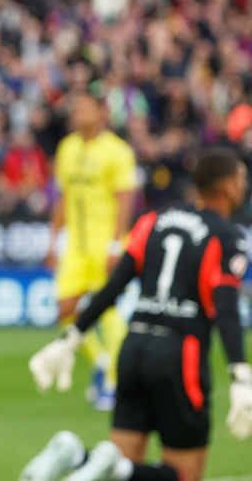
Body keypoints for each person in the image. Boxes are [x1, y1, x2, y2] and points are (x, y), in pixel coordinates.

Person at [22, 146, 252, 481]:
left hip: (134, 350)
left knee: (115, 469)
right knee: (184, 474)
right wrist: (240, 375)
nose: (245, 185)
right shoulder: (226, 236)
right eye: (242, 178)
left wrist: (70, 339)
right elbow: (228, 312)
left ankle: (77, 455)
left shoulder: (153, 220)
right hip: (179, 354)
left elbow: (113, 287)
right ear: (228, 185)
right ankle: (108, 464)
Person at [47, 92, 137, 409]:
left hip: (105, 245)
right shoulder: (67, 148)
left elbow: (126, 200)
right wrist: (52, 239)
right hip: (75, 245)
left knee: (108, 313)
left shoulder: (117, 150)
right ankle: (100, 362)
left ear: (102, 113)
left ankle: (115, 381)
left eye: (86, 106)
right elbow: (62, 197)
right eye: (77, 107)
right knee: (65, 311)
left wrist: (116, 244)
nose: (79, 112)